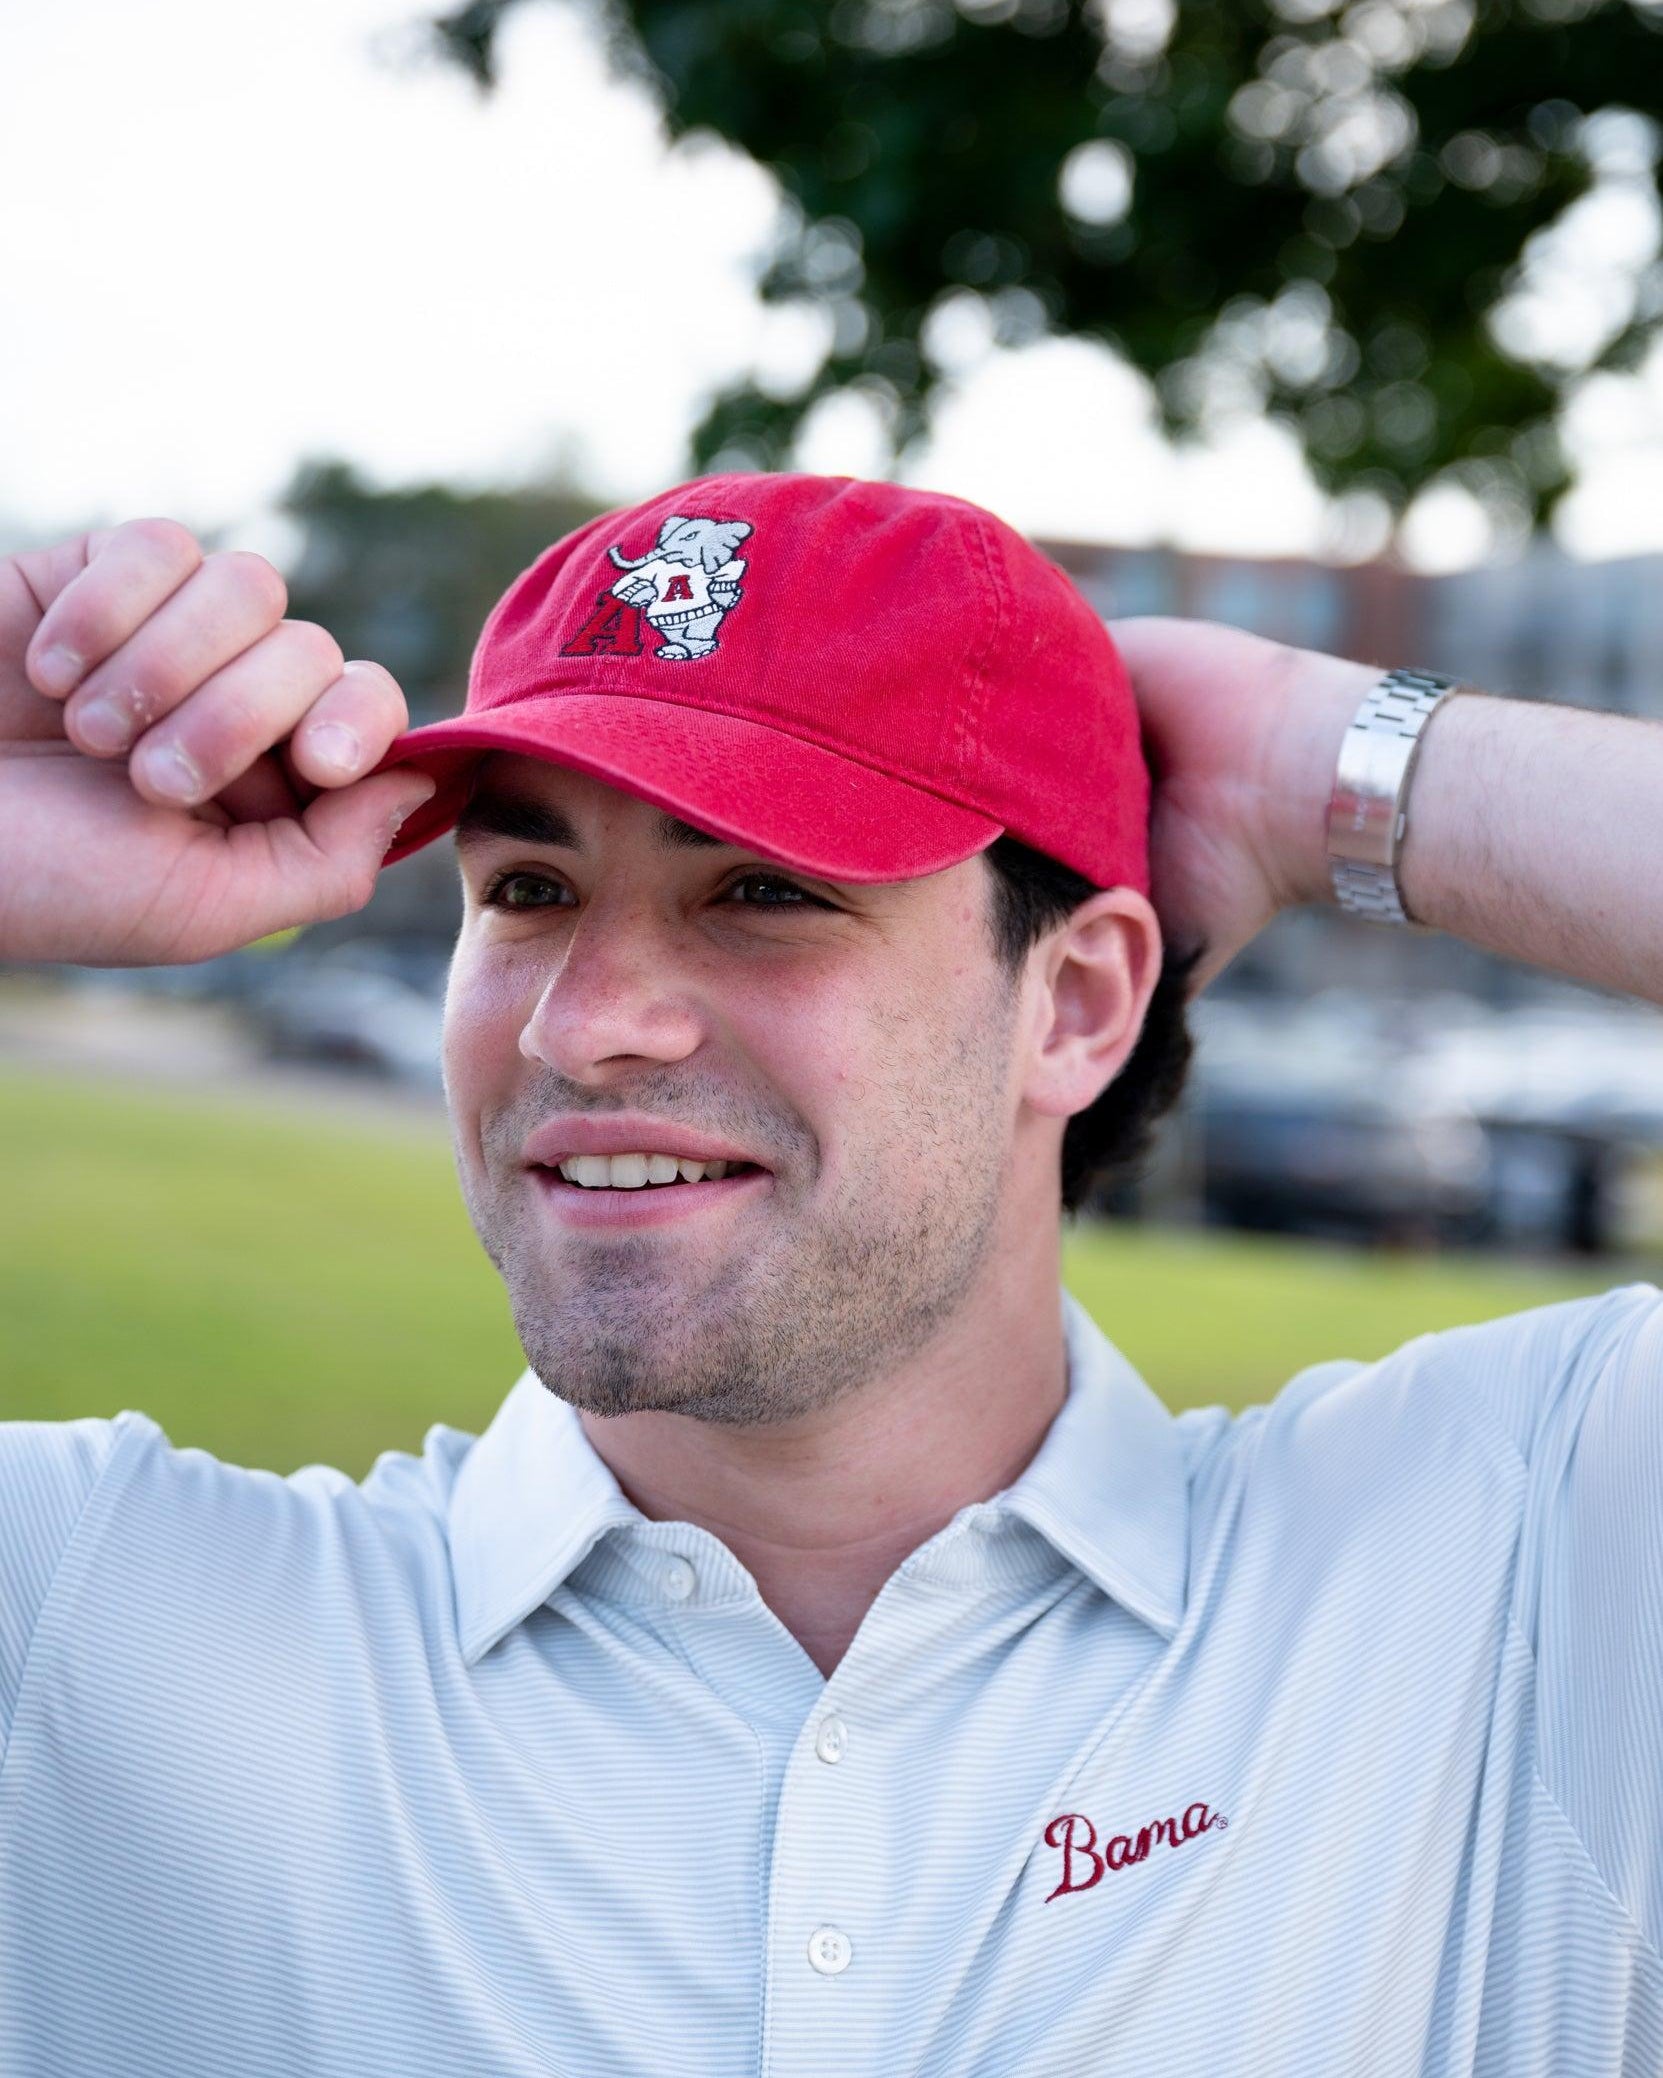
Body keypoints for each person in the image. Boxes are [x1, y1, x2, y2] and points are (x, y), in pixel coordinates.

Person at [0, 472, 1657, 2076]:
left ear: (1076, 1004)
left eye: (762, 891)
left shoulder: (1505, 1589)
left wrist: (1329, 767)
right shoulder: (98, 1636)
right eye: (528, 887)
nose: (584, 1020)